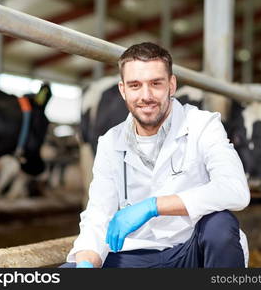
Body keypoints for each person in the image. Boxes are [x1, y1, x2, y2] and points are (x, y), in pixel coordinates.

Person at [61, 42, 250, 268]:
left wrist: (153, 206)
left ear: (171, 85)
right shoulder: (110, 142)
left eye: (155, 83)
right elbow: (98, 215)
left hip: (190, 250)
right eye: (135, 85)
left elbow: (235, 190)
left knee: (220, 225)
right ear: (123, 90)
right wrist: (86, 262)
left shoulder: (203, 125)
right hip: (134, 255)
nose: (146, 95)